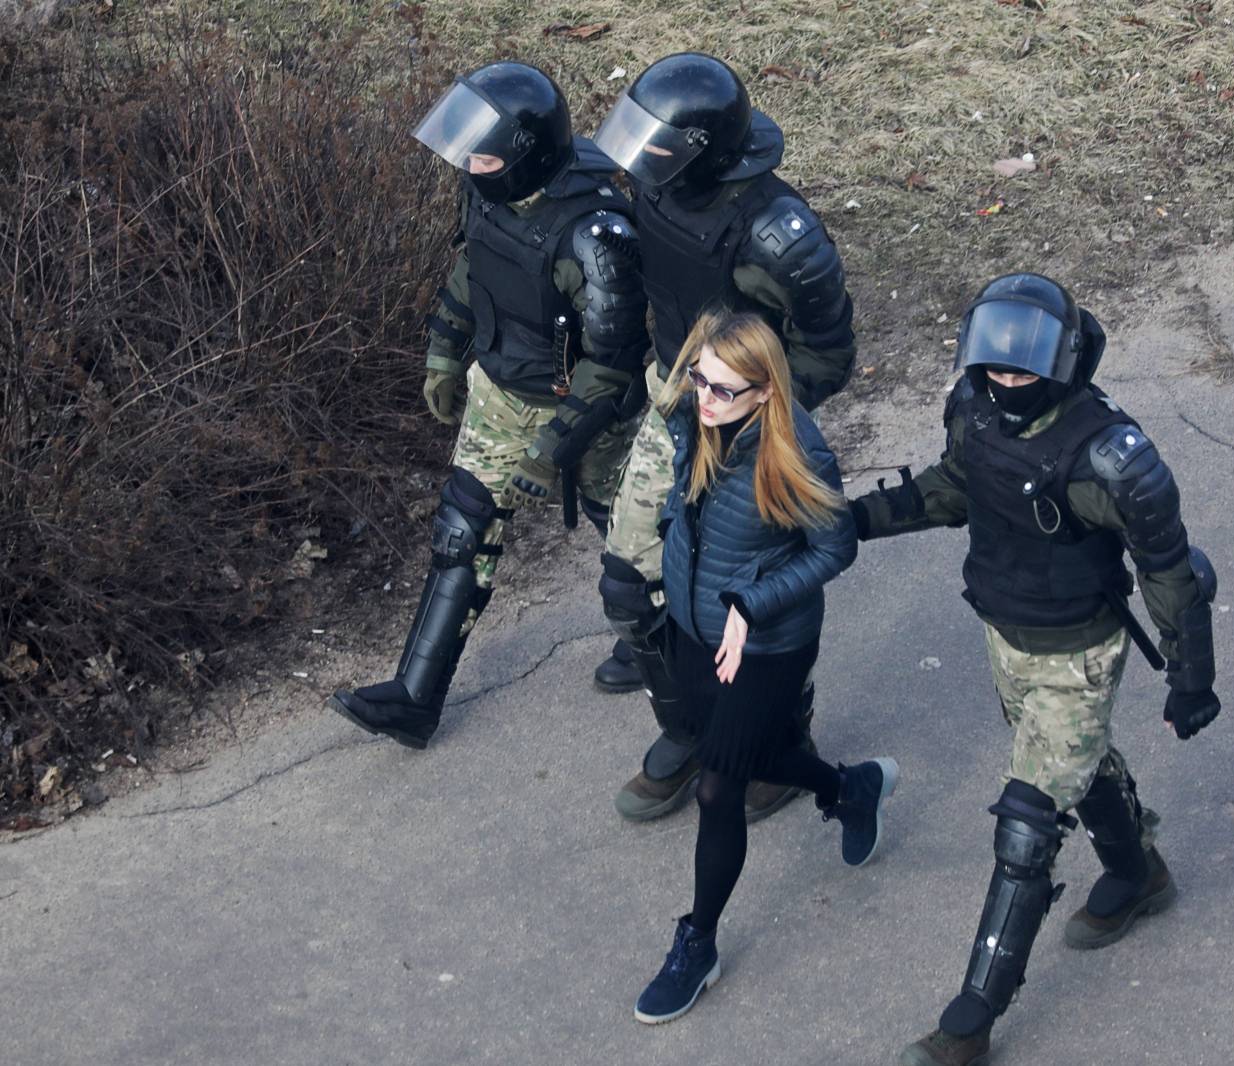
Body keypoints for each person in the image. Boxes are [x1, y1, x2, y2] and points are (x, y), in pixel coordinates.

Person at [848, 274, 1221, 1066]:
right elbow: (954, 487)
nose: (1006, 381)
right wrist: (855, 522)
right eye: (995, 366)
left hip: (1077, 653)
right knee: (1072, 768)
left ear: (1064, 364)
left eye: (1024, 370)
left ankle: (970, 1019)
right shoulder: (974, 407)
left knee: (1029, 820)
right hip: (1004, 635)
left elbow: (1170, 571)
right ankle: (1137, 874)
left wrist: (1192, 678)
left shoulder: (1115, 460)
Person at [326, 62, 650, 749]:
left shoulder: (595, 239)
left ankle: (666, 656)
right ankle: (415, 698)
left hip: (586, 417)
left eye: (484, 151)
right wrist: (445, 351)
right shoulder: (488, 193)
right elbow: (475, 270)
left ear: (524, 154)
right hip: (503, 394)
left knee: (635, 541)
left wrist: (555, 445)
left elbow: (615, 364)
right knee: (461, 530)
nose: (470, 163)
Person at [592, 52, 857, 823]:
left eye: (658, 147)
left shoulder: (780, 235)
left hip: (749, 423)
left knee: (753, 594)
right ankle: (689, 730)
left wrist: (754, 418)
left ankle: (775, 736)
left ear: (703, 152)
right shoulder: (653, 181)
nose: (639, 161)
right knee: (631, 580)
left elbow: (827, 352)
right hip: (672, 398)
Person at [631, 311, 895, 1025]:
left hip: (769, 644)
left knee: (718, 789)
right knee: (744, 750)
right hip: (696, 625)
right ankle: (850, 786)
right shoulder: (698, 415)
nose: (704, 398)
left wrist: (751, 601)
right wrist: (666, 537)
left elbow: (835, 549)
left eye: (722, 390)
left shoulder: (796, 449)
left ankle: (698, 944)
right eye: (699, 378)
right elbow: (686, 499)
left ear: (763, 391)